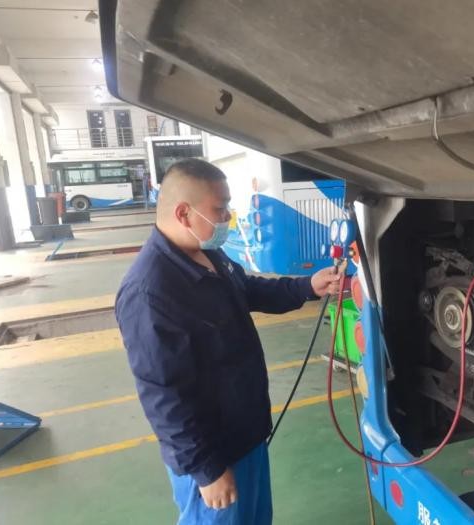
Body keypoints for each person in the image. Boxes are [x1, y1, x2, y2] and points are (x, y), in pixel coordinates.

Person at [115, 158, 341, 525]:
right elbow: (164, 395)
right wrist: (206, 470)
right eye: (220, 210)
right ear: (184, 213)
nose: (228, 218)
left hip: (246, 434)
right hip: (214, 454)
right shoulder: (150, 292)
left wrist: (306, 286)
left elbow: (248, 290)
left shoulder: (207, 252)